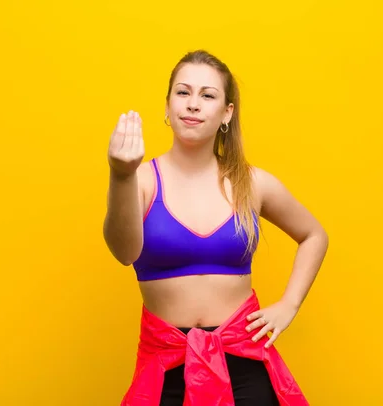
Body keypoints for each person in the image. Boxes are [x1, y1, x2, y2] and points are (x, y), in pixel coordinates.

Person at [103, 50, 329, 406]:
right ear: (166, 106)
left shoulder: (252, 184)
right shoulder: (141, 179)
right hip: (166, 366)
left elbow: (314, 235)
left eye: (207, 95)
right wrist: (121, 174)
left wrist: (289, 305)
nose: (194, 104)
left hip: (244, 363)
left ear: (226, 113)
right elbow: (123, 252)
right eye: (183, 92)